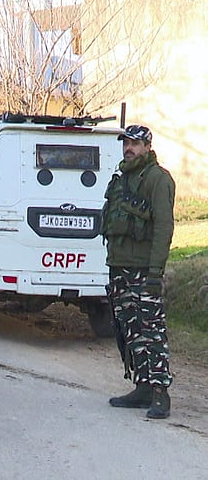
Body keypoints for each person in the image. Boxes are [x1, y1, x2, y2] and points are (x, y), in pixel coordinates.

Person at [101, 124, 175, 419]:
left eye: (134, 144)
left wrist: (156, 273)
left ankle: (160, 393)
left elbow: (163, 229)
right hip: (119, 267)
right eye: (126, 143)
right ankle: (142, 386)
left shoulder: (158, 180)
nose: (128, 148)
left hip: (144, 270)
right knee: (129, 330)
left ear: (147, 146)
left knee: (152, 331)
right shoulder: (121, 179)